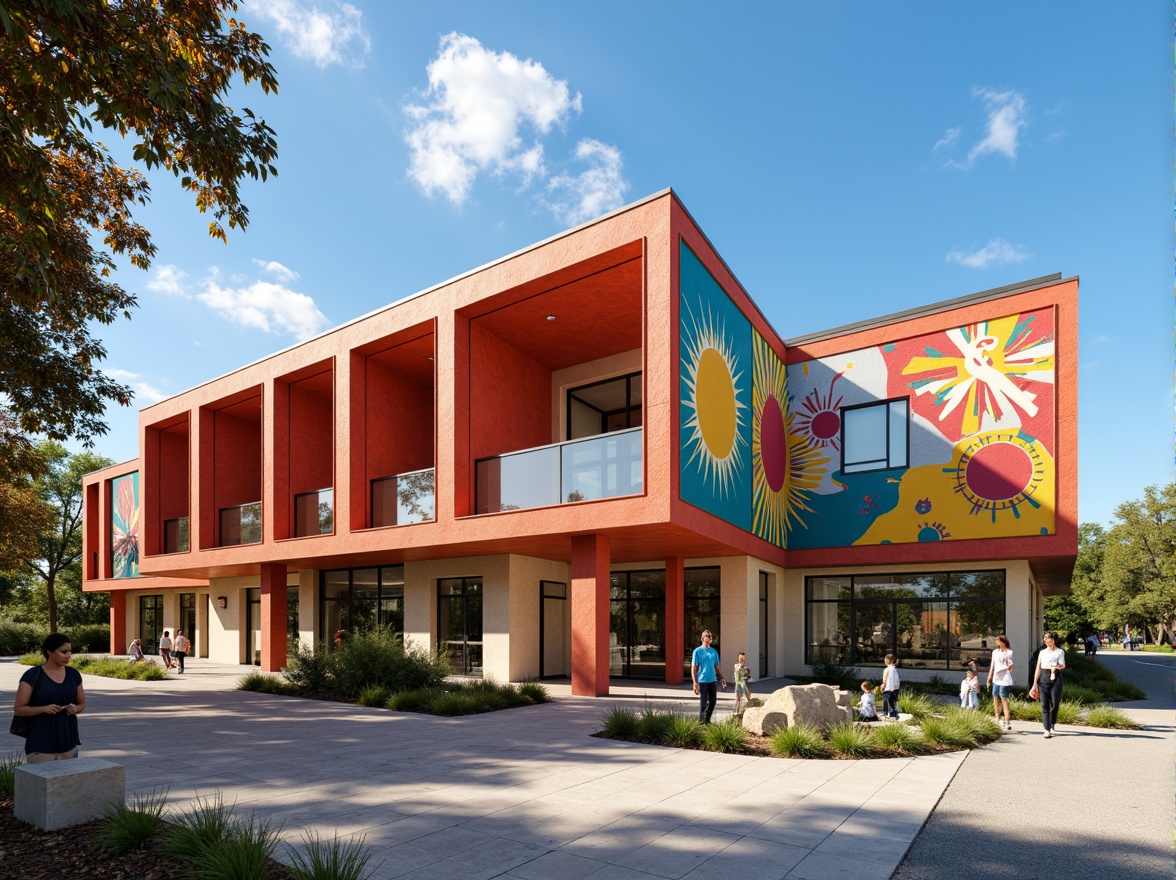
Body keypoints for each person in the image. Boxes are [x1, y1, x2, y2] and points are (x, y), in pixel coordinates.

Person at [12, 633, 86, 763]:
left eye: (70, 651)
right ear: (49, 652)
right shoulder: (32, 675)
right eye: (63, 652)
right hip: (40, 745)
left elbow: (82, 704)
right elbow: (19, 709)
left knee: (68, 782)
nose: (68, 655)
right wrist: (44, 709)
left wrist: (75, 708)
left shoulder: (73, 674)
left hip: (68, 743)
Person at [1030, 631, 1066, 738]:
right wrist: (1034, 683)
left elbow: (1063, 665)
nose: (1045, 640)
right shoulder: (1042, 652)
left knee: (1055, 703)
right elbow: (1038, 668)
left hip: (1056, 677)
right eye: (1045, 638)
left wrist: (1055, 668)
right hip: (1044, 677)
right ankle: (1046, 729)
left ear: (1053, 640)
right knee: (1044, 705)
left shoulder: (1060, 652)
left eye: (1047, 638)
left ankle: (1052, 722)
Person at [691, 629, 726, 724]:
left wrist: (721, 677)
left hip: (712, 680)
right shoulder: (697, 651)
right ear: (703, 638)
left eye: (711, 636)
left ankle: (707, 720)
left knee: (713, 702)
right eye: (708, 635)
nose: (710, 637)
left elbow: (715, 666)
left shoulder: (713, 652)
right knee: (704, 703)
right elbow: (694, 669)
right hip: (702, 680)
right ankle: (701, 722)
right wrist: (695, 683)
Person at [986, 634, 1015, 732]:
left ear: (1003, 642)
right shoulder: (995, 652)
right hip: (996, 678)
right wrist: (989, 678)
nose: (996, 643)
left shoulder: (1009, 653)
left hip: (1005, 679)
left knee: (1004, 699)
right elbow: (992, 666)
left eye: (998, 641)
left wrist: (1008, 667)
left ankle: (1007, 721)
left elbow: (1011, 666)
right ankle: (997, 718)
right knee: (995, 697)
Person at [880, 654, 901, 718]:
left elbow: (889, 679)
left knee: (888, 700)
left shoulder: (889, 669)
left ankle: (888, 713)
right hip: (894, 688)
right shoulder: (894, 669)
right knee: (892, 701)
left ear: (888, 661)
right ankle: (890, 712)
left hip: (889, 688)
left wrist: (888, 687)